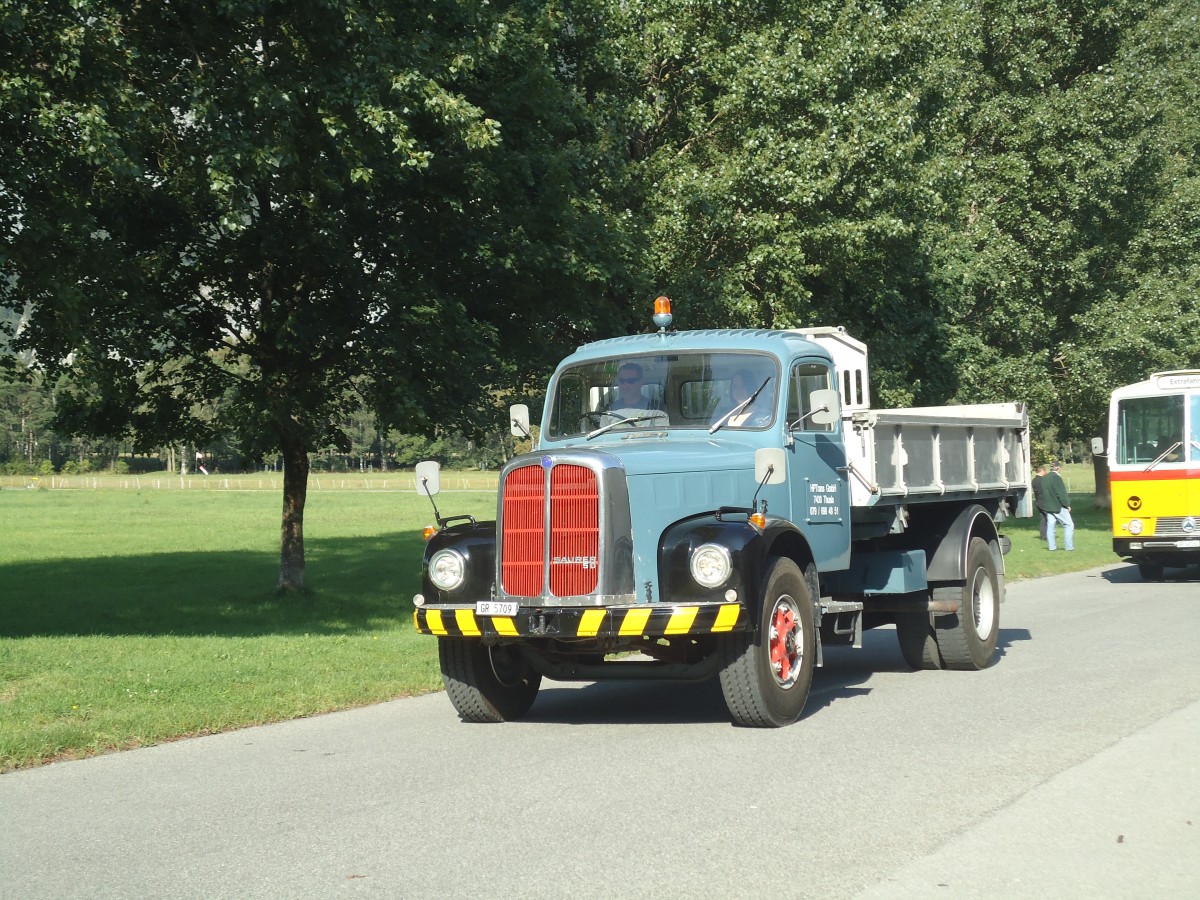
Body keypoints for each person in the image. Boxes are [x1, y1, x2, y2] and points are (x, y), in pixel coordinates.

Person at [1042, 461, 1074, 551]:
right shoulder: (1056, 478)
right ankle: (1069, 547)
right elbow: (1061, 493)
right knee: (1069, 525)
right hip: (1058, 506)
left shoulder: (1045, 478)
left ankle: (1052, 547)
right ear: (1058, 468)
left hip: (1048, 506)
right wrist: (1067, 505)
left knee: (1051, 527)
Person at [1031, 465, 1048, 541]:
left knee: (1043, 519)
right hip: (1044, 501)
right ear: (1042, 471)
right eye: (1045, 471)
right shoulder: (1043, 480)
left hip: (1038, 501)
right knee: (1050, 518)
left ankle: (1043, 536)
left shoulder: (1034, 480)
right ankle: (1049, 535)